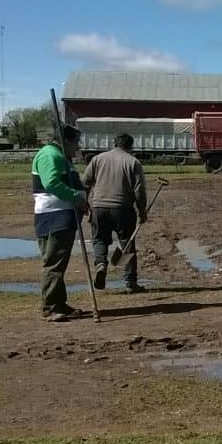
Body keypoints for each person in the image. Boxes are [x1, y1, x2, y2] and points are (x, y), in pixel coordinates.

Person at [32, 124, 89, 322]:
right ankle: (50, 307)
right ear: (66, 140)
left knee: (59, 263)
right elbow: (52, 183)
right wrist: (76, 196)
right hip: (54, 215)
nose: (77, 147)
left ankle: (59, 303)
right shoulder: (50, 155)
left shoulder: (62, 157)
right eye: (76, 142)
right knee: (54, 263)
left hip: (63, 214)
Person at [82, 133, 148, 293]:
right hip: (123, 209)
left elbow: (85, 182)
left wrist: (85, 205)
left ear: (114, 144)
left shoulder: (97, 159)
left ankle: (101, 264)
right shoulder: (133, 162)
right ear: (131, 146)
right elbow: (139, 191)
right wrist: (142, 210)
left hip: (99, 208)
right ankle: (130, 282)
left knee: (99, 240)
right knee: (127, 244)